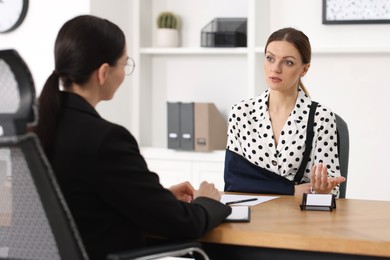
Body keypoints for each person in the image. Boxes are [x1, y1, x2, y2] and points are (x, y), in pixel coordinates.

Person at [31, 15, 231, 260]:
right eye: (125, 64)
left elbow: (80, 202)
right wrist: (206, 201)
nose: (125, 73)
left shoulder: (36, 129)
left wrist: (160, 197)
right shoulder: (106, 140)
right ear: (103, 73)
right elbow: (184, 224)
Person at [224, 27, 346, 198]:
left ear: (304, 69)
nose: (275, 69)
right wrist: (291, 190)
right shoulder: (241, 112)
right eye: (270, 59)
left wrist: (322, 190)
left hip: (300, 218)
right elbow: (234, 181)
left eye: (288, 62)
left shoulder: (321, 117)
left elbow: (332, 189)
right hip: (253, 217)